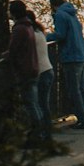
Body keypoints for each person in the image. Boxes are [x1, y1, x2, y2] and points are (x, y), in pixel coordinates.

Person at [48, 0, 84, 129]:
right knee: (83, 89)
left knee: (74, 90)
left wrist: (45, 36)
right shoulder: (73, 15)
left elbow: (60, 35)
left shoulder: (60, 15)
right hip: (82, 55)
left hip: (71, 56)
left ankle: (82, 119)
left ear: (53, 5)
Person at [6, 0, 41, 140]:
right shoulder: (29, 26)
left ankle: (36, 134)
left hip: (25, 70)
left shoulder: (19, 28)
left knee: (30, 103)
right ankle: (39, 131)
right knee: (34, 103)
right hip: (33, 68)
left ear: (13, 12)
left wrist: (6, 55)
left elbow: (13, 49)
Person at [27, 10, 55, 138]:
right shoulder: (40, 32)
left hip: (42, 72)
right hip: (48, 70)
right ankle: (47, 131)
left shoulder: (32, 34)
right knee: (44, 104)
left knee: (39, 104)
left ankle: (41, 132)